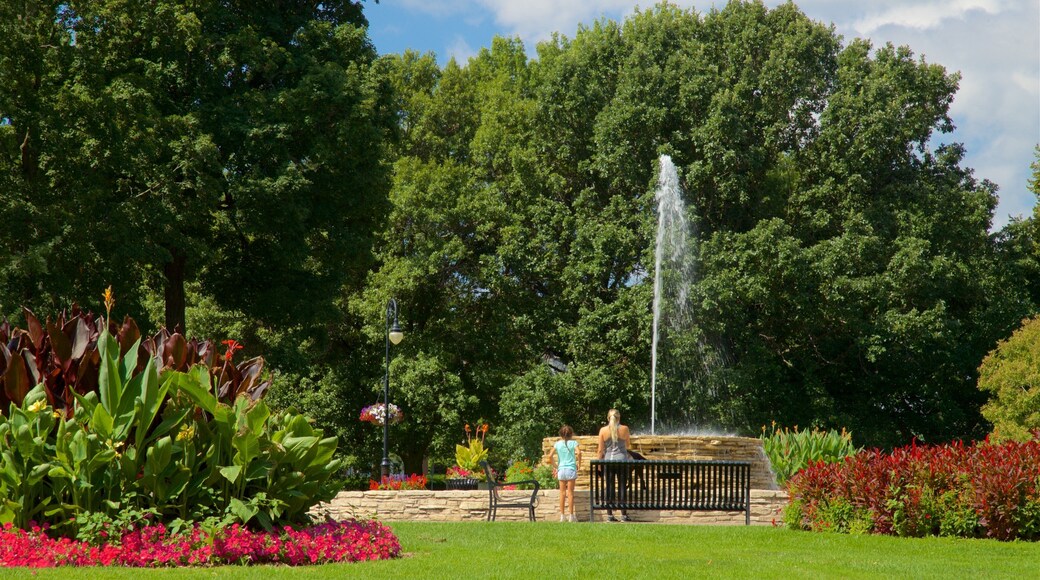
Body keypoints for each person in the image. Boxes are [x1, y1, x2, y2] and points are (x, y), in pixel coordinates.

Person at [596, 408, 631, 522]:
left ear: (607, 418)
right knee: (622, 487)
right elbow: (628, 445)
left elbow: (600, 450)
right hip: (621, 460)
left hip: (608, 461)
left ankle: (610, 515)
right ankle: (624, 515)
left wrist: (599, 464)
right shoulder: (625, 429)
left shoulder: (603, 430)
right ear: (619, 418)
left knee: (609, 487)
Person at [552, 425, 582, 522]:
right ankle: (571, 516)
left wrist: (556, 466)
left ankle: (562, 516)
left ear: (560, 434)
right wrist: (579, 464)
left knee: (562, 493)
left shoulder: (557, 444)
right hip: (571, 469)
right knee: (570, 493)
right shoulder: (573, 443)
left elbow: (549, 456)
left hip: (561, 469)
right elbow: (579, 453)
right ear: (571, 434)